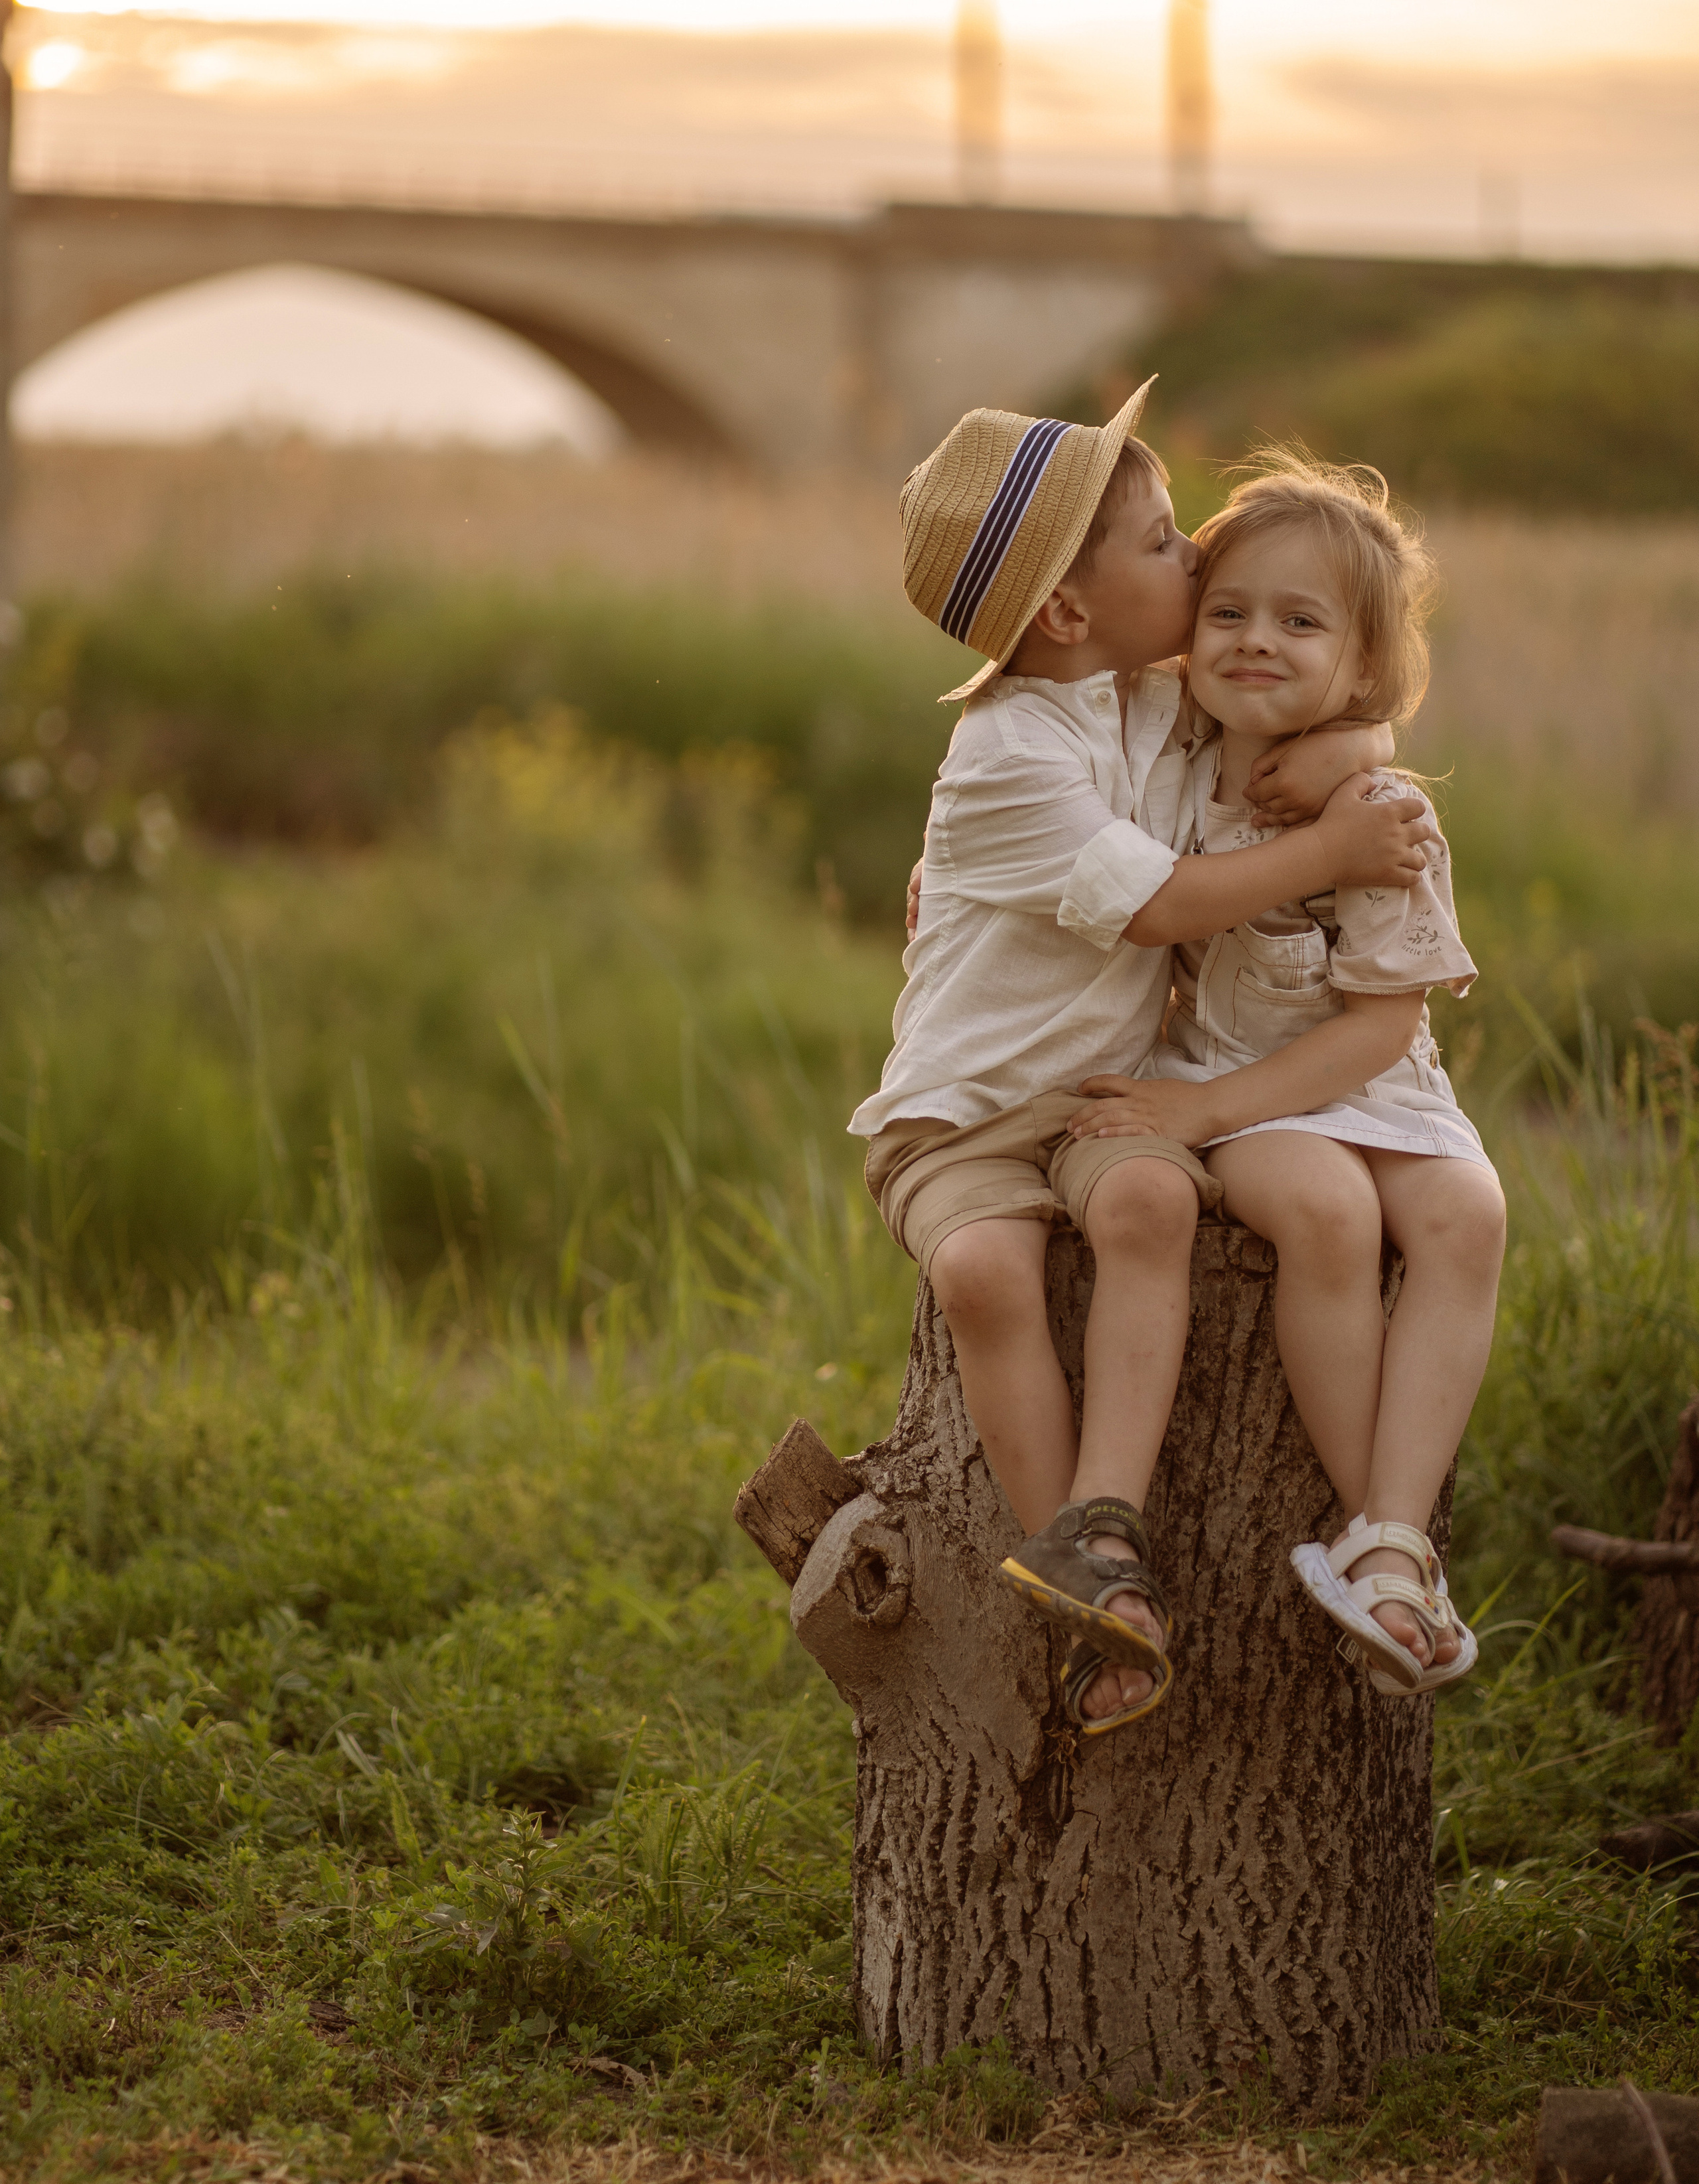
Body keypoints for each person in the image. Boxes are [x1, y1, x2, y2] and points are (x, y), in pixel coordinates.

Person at [851, 386, 1440, 1735]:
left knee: (1150, 1204)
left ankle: (1105, 1512)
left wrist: (1357, 750)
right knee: (986, 1275)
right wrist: (1332, 847)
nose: (1197, 555)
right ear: (1070, 611)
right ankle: (1085, 1571)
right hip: (960, 1114)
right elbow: (1166, 904)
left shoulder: (1147, 696)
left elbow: (1316, 699)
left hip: (1099, 1098)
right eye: (1164, 541)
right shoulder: (1006, 755)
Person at [1068, 451, 1507, 1696]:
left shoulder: (1381, 815)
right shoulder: (1165, 738)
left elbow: (1378, 1032)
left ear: (1363, 668)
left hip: (1370, 1079)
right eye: (1229, 611)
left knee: (1468, 1213)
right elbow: (1037, 763)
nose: (1256, 640)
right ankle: (1387, 1551)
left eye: (1301, 623)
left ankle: (1392, 1538)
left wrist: (1360, 745)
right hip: (1224, 1073)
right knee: (1326, 1210)